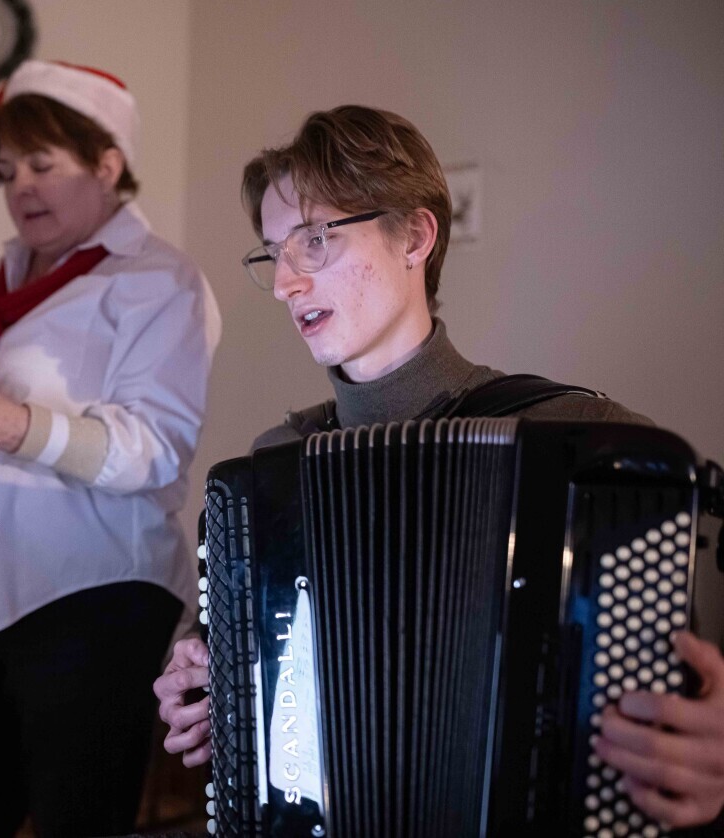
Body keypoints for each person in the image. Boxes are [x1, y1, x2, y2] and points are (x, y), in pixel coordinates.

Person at [153, 105, 724, 830]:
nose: (288, 282)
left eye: (315, 239)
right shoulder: (271, 469)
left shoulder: (587, 445)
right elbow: (215, 646)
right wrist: (198, 678)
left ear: (416, 238)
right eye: (274, 253)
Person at [0, 60, 221, 837]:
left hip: (95, 597)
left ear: (108, 165)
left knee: (80, 822)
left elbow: (157, 447)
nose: (21, 187)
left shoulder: (158, 281)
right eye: (7, 171)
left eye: (41, 164)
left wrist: (15, 425)